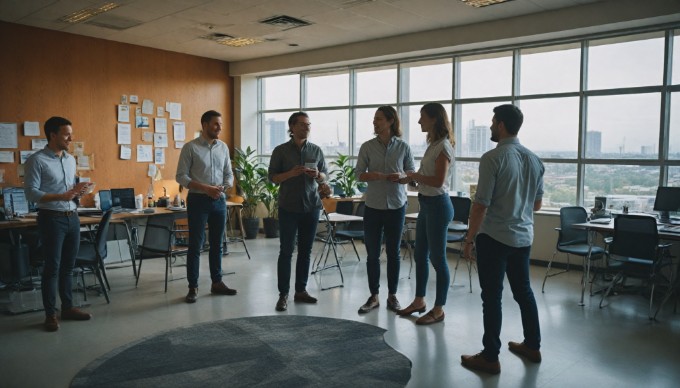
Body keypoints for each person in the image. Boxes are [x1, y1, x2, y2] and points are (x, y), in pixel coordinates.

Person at [460, 104, 544, 374]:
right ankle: (532, 345)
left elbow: (480, 205)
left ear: (503, 125)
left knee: (492, 297)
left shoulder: (492, 158)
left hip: (495, 237)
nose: (490, 126)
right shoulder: (534, 159)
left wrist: (469, 239)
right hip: (523, 237)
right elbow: (537, 205)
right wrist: (516, 205)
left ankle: (490, 356)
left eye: (493, 121)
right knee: (524, 293)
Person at [24, 116, 94, 332]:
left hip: (72, 217)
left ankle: (68, 308)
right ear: (52, 135)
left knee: (68, 267)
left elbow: (69, 189)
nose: (71, 138)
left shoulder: (70, 159)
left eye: (71, 133)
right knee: (52, 269)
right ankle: (50, 315)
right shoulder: (36, 160)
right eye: (66, 134)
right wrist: (60, 197)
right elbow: (31, 193)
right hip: (51, 219)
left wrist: (80, 191)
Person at [397, 103, 455, 325]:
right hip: (427, 204)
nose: (419, 121)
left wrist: (415, 176)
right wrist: (410, 178)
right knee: (420, 255)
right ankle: (419, 301)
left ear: (434, 119)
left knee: (437, 258)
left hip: (439, 206)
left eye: (422, 117)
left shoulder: (443, 147)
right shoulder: (433, 145)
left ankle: (438, 309)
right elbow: (425, 178)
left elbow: (438, 181)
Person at [355, 106, 415, 314]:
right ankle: (373, 296)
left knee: (394, 253)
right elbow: (359, 175)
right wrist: (379, 176)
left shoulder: (404, 147)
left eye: (379, 119)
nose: (375, 122)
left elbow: (411, 173)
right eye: (374, 119)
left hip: (397, 206)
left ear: (390, 121)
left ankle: (392, 295)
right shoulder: (367, 147)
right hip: (372, 206)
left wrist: (402, 176)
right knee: (372, 253)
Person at [268, 112, 329, 312]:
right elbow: (273, 178)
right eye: (302, 124)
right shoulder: (281, 151)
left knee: (306, 251)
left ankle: (301, 290)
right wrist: (290, 173)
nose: (306, 128)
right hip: (289, 207)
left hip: (311, 207)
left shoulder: (316, 150)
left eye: (308, 124)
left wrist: (318, 175)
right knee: (286, 251)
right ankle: (283, 294)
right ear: (292, 127)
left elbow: (325, 176)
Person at [176, 110, 235, 303]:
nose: (220, 127)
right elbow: (181, 177)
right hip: (198, 200)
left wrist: (223, 187)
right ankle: (193, 287)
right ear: (205, 124)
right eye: (216, 124)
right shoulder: (190, 148)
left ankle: (216, 282)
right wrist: (205, 188)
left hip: (219, 200)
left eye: (220, 124)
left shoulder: (223, 147)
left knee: (218, 244)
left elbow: (229, 174)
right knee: (196, 245)